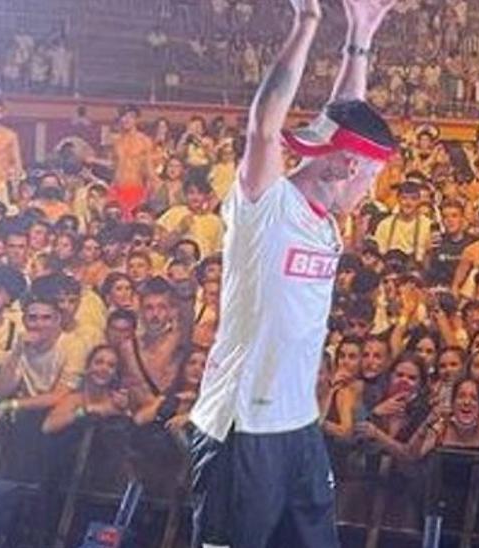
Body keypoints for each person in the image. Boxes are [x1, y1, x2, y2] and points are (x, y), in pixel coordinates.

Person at [186, 0, 400, 546]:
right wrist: (306, 25)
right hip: (241, 429)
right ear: (346, 165)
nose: (369, 189)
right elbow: (264, 126)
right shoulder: (267, 205)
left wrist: (359, 35)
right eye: (369, 176)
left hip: (297, 426)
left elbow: (345, 116)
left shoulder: (326, 221)